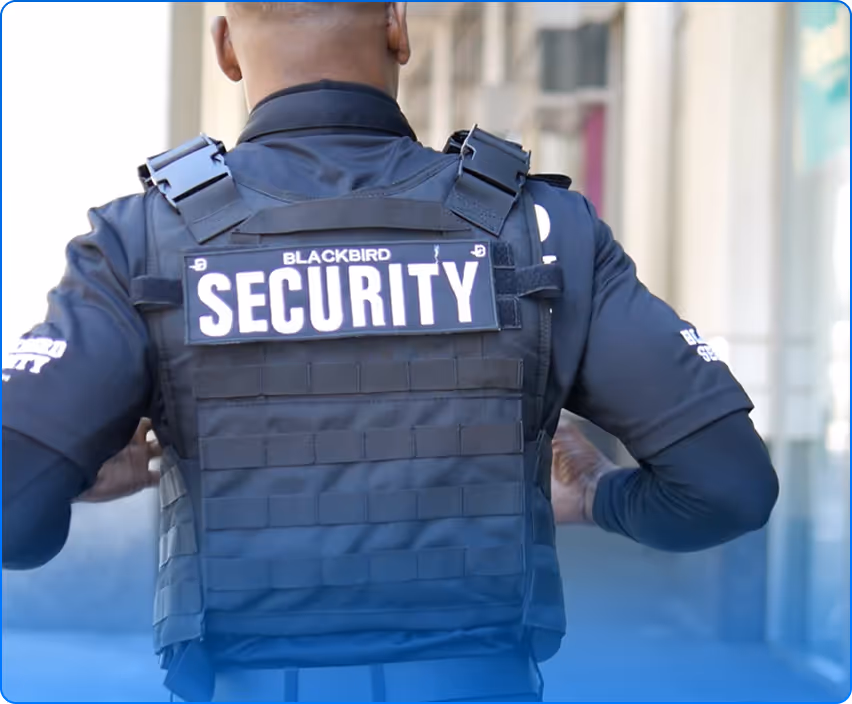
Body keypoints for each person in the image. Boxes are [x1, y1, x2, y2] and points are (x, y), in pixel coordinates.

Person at [2, 3, 779, 701]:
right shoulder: (539, 228)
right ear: (398, 28)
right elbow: (729, 487)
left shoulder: (140, 242)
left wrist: (72, 478)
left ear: (226, 48)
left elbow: (9, 513)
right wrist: (600, 496)